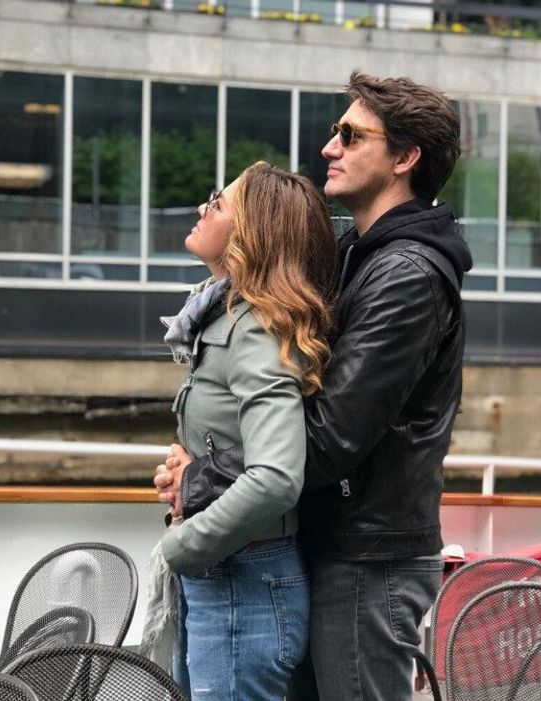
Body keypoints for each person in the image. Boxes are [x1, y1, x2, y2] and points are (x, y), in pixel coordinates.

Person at [156, 72, 473, 701]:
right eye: (335, 132)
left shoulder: (405, 275)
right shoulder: (360, 254)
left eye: (351, 136)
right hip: (338, 544)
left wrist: (200, 477)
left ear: (405, 158)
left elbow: (329, 437)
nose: (330, 147)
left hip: (368, 557)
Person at [158, 161, 338, 700]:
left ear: (251, 233)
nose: (202, 207)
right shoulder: (224, 316)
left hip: (242, 583)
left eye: (218, 202)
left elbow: (276, 477)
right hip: (227, 578)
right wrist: (188, 473)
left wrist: (182, 546)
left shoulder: (255, 329)